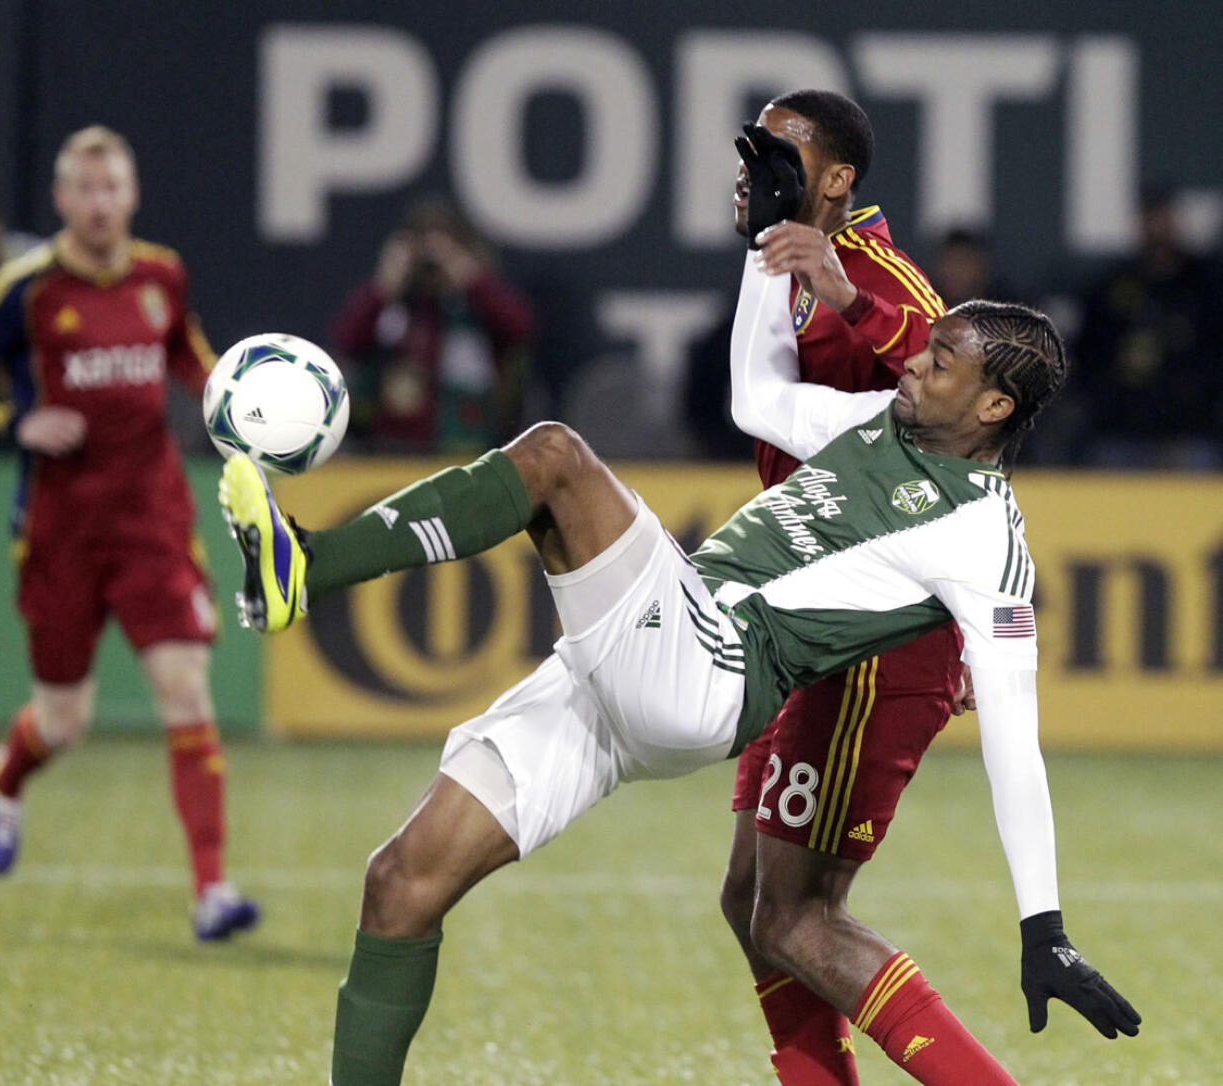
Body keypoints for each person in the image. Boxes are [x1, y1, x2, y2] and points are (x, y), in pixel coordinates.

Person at [218, 236, 1139, 1081]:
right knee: (401, 884)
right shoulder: (880, 418)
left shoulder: (984, 536)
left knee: (555, 460)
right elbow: (756, 396)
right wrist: (760, 248)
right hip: (624, 675)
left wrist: (1043, 927)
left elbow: (1016, 744)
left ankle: (308, 564)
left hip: (710, 665)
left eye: (942, 360)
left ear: (993, 405)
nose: (917, 362)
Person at [719, 91, 963, 1084]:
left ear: (835, 180)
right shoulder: (773, 274)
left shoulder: (874, 272)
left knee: (797, 915)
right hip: (805, 612)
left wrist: (847, 294)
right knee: (749, 903)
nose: (749, 170)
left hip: (870, 621)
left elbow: (965, 403)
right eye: (746, 153)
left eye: (778, 154)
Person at [0, 125, 258, 941]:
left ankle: (212, 891)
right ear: (62, 199)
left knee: (185, 688)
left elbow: (187, 354)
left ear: (132, 196)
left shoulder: (161, 275)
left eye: (114, 189)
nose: (101, 204)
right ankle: (6, 787)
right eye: (86, 189)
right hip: (62, 526)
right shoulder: (25, 291)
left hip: (152, 518)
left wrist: (237, 406)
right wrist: (20, 422)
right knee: (63, 720)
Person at [329, 194, 535, 454]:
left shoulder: (476, 305)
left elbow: (520, 327)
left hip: (468, 447)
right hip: (391, 450)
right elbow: (345, 340)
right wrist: (384, 285)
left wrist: (469, 277)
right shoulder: (391, 305)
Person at [1073, 185, 1223, 468]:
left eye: (1163, 218)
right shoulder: (1111, 288)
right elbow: (1088, 357)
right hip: (1123, 431)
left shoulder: (1206, 286)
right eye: (1149, 219)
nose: (1157, 228)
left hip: (1192, 431)